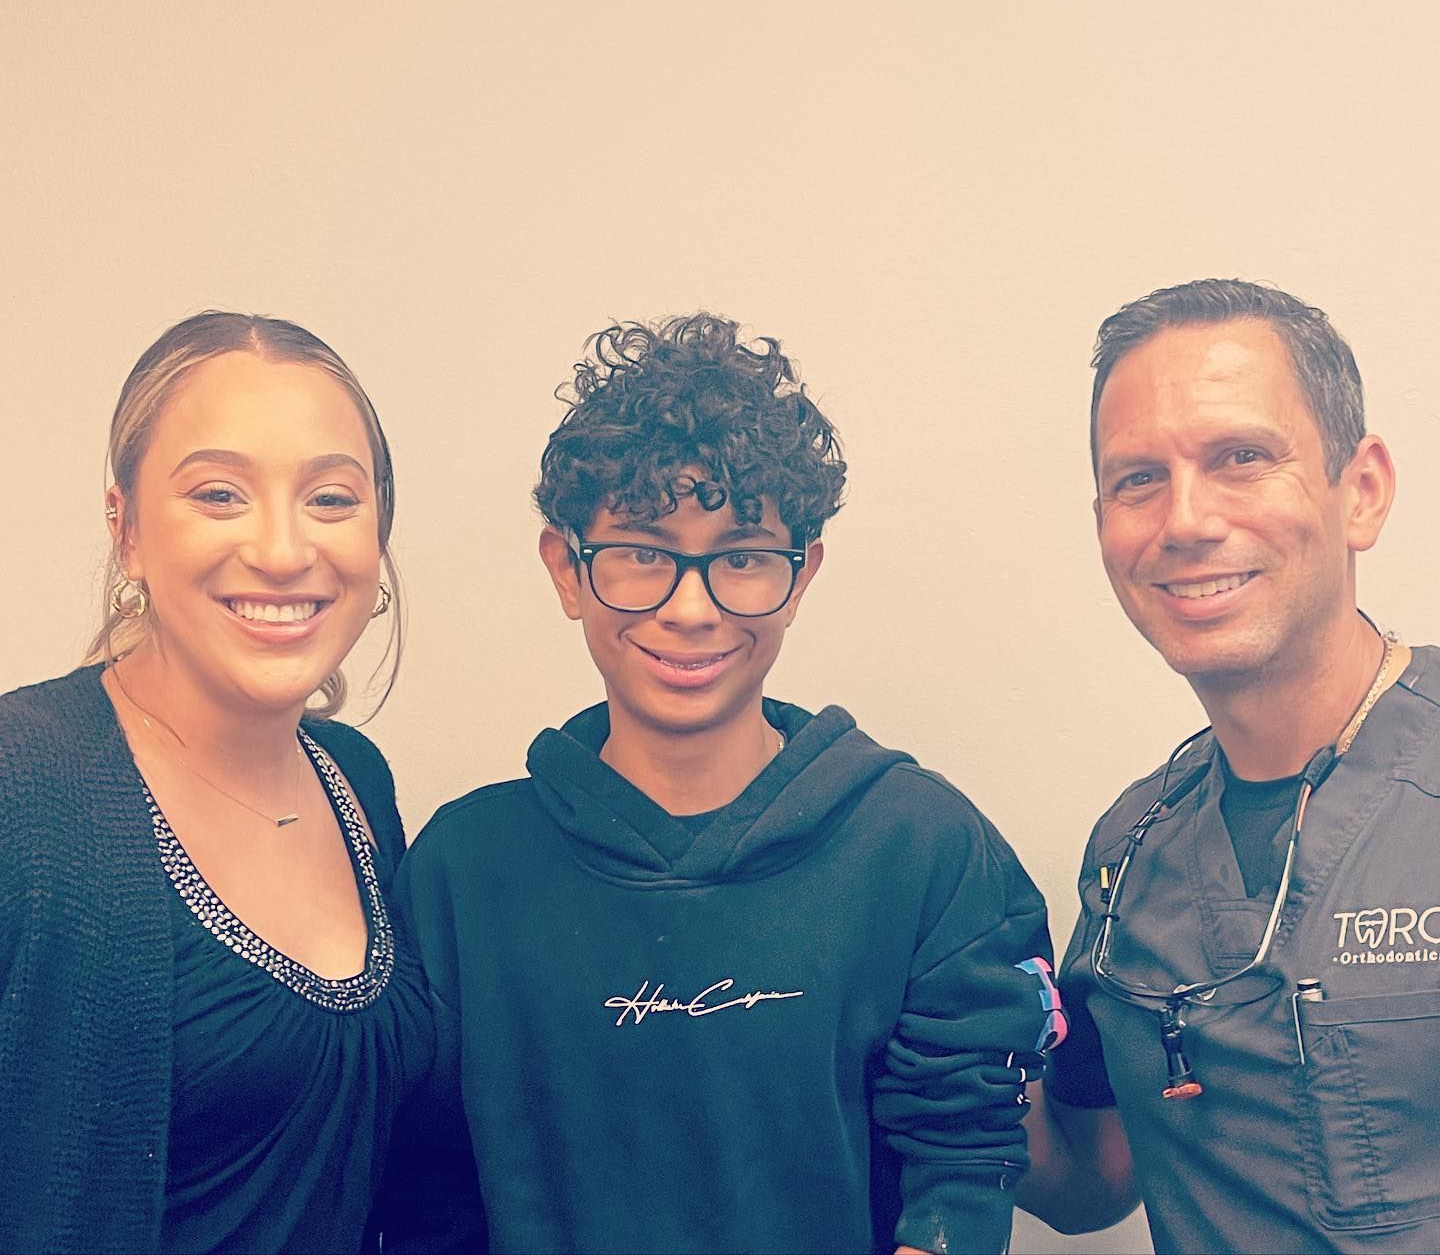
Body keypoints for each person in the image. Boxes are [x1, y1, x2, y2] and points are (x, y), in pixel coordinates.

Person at [380, 314, 1061, 1255]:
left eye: (741, 557)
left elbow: (961, 1166)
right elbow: (424, 1192)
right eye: (642, 553)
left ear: (801, 574)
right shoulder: (464, 870)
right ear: (566, 569)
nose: (689, 609)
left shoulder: (922, 849)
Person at [1018, 278, 1440, 1253]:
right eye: (1137, 479)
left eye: (1241, 459)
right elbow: (1093, 1179)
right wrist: (933, 1041)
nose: (1186, 521)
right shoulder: (1133, 852)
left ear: (1362, 490)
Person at [0, 313, 433, 1255]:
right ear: (127, 528)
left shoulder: (357, 783)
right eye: (220, 494)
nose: (282, 550)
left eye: (329, 499)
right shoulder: (20, 787)